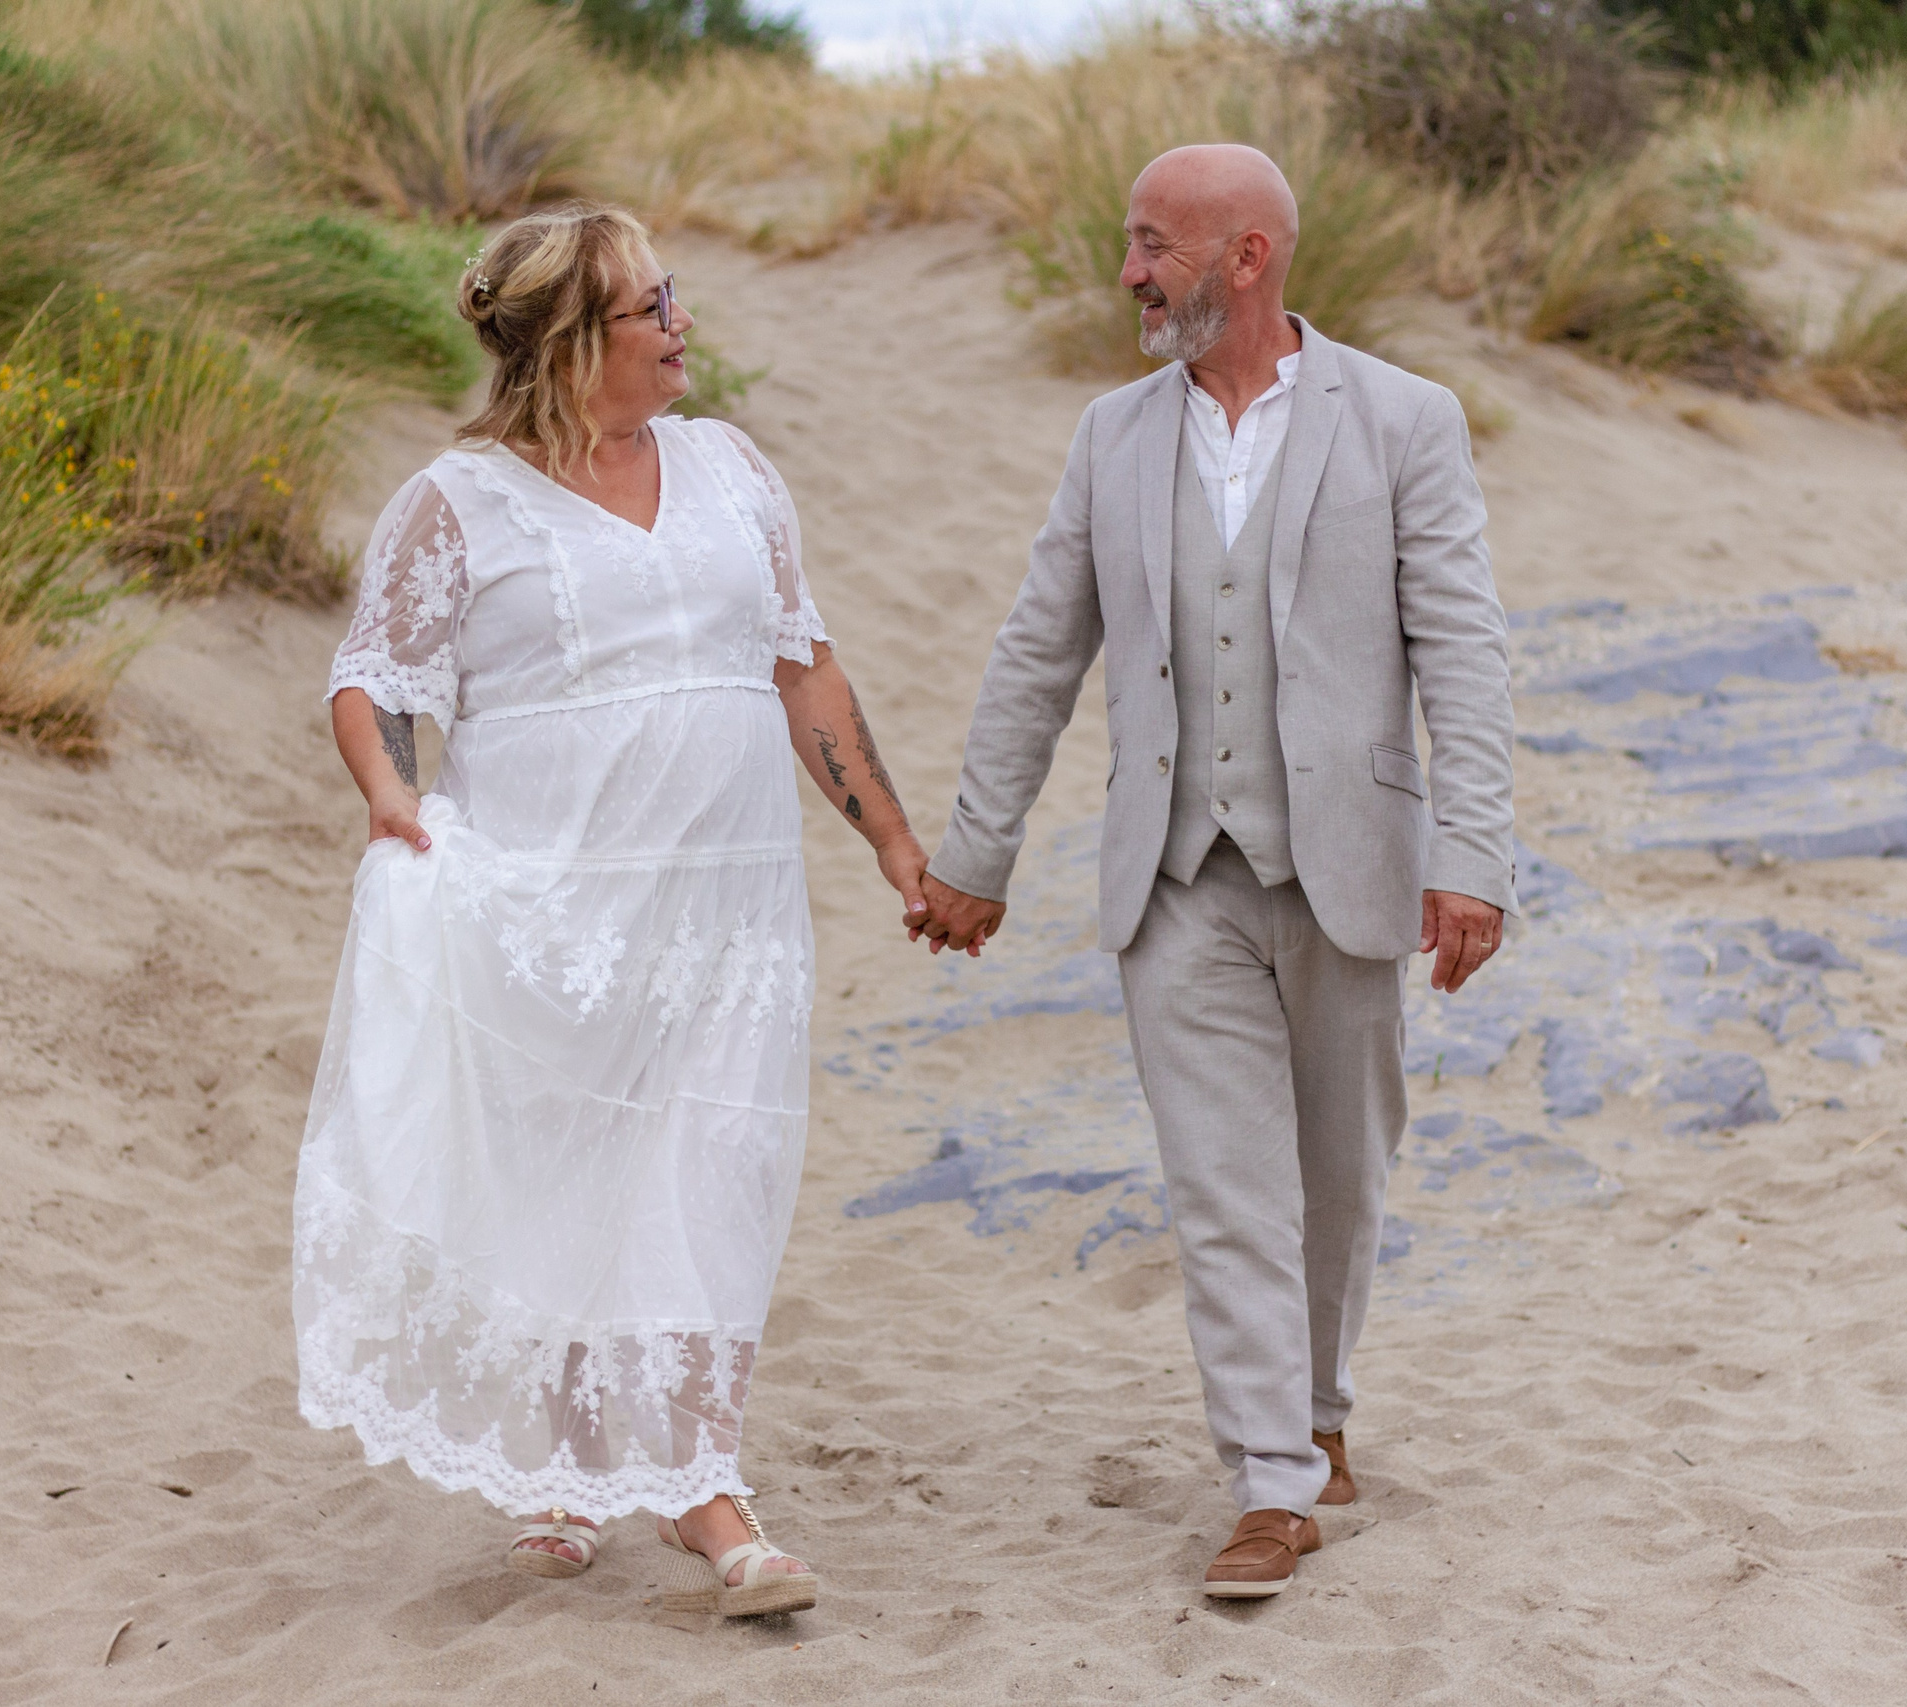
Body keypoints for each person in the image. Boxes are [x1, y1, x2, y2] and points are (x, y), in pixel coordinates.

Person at [294, 205, 928, 1619]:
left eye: (670, 294)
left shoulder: (731, 468)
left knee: (711, 1167)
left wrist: (893, 841)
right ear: (574, 343)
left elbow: (805, 668)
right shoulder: (460, 502)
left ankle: (704, 1487)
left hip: (731, 911)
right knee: (566, 1171)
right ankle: (567, 1467)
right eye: (651, 307)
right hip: (555, 911)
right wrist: (392, 798)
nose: (681, 322)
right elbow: (374, 676)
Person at [913, 145, 1517, 1598]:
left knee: (1339, 1180)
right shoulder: (1110, 436)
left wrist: (1474, 856)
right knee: (1223, 1188)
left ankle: (1319, 1409)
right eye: (1130, 242)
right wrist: (977, 853)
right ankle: (1269, 1482)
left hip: (1350, 864)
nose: (1128, 272)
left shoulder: (1407, 419)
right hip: (1175, 875)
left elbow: (1463, 650)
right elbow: (1038, 653)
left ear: (1248, 257)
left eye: (1153, 245)